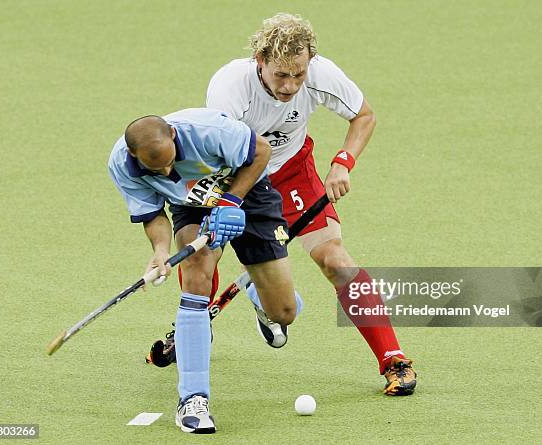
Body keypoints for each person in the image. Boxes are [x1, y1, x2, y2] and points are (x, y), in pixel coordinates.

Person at [204, 13, 417, 395]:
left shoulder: (320, 74)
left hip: (291, 173)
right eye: (281, 75)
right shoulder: (229, 87)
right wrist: (235, 201)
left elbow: (363, 116)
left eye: (298, 75)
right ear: (260, 60)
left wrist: (342, 163)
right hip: (233, 178)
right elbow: (221, 155)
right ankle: (195, 327)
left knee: (335, 258)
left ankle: (393, 359)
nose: (290, 86)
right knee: (205, 257)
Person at [108, 108, 301, 434]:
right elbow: (153, 214)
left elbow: (261, 151)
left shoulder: (208, 131)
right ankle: (192, 401)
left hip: (247, 191)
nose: (168, 170)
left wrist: (230, 202)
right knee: (196, 274)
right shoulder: (122, 165)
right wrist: (160, 251)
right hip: (191, 206)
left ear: (173, 134)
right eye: (158, 169)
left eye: (170, 161)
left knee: (285, 311)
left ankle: (256, 291)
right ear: (133, 154)